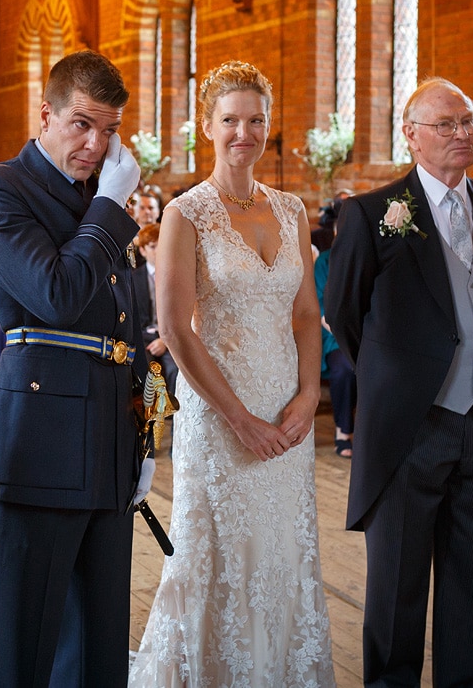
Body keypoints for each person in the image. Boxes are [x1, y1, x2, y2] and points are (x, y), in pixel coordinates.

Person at [130, 60, 335, 686]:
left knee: (280, 553)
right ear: (207, 127)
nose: (243, 132)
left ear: (268, 125)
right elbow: (176, 331)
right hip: (221, 416)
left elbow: (305, 312)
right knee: (216, 555)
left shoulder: (293, 209)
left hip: (288, 417)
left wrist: (308, 393)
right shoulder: (185, 214)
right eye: (229, 120)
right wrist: (238, 418)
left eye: (255, 119)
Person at [325, 77, 473, 687]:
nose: (463, 134)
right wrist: (398, 382)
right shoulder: (371, 214)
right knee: (396, 590)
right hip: (412, 431)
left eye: (469, 121)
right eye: (447, 124)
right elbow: (344, 312)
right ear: (411, 135)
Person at [0, 49, 149, 687]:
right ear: (45, 113)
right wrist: (110, 208)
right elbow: (57, 295)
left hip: (111, 441)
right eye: (81, 124)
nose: (96, 144)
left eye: (110, 130)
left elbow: (134, 331)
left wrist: (148, 430)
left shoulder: (101, 199)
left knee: (99, 652)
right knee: (21, 648)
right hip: (40, 444)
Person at [312, 196, 355, 458]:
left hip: (367, 335)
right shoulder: (324, 262)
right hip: (334, 334)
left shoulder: (368, 257)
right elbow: (319, 307)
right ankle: (343, 431)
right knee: (344, 367)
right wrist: (347, 335)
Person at [132, 222, 177, 414]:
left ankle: (175, 421)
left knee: (175, 369)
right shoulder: (133, 277)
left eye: (162, 244)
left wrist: (164, 339)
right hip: (142, 337)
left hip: (168, 335)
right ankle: (147, 422)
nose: (158, 250)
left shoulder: (176, 275)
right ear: (142, 250)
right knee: (145, 371)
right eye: (152, 246)